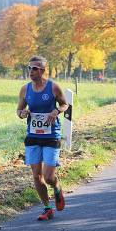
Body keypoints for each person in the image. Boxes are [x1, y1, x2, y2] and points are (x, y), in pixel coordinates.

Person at [16, 55, 68, 221]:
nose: (31, 71)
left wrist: (57, 111)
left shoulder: (53, 87)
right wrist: (22, 113)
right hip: (32, 135)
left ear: (43, 71)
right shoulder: (25, 89)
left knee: (48, 177)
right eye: (29, 68)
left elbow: (65, 104)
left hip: (51, 135)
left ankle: (57, 186)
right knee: (36, 176)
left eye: (35, 68)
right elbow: (19, 110)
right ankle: (47, 208)